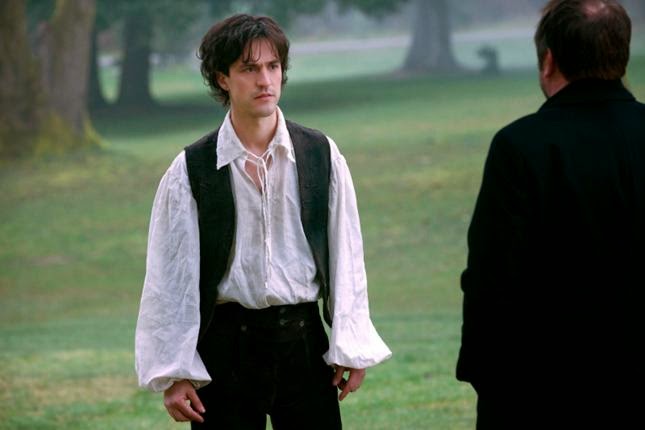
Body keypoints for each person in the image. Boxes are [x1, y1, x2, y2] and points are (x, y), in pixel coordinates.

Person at [134, 13, 391, 430]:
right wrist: (175, 371)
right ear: (222, 78)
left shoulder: (320, 154)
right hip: (225, 352)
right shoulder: (191, 169)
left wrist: (351, 344)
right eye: (249, 69)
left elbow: (347, 255)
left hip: (304, 345)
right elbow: (170, 277)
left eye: (273, 66)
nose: (265, 81)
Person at [456, 0, 645, 428]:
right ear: (621, 55)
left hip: (546, 391)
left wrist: (487, 377)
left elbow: (492, 279)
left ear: (548, 61)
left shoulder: (521, 147)